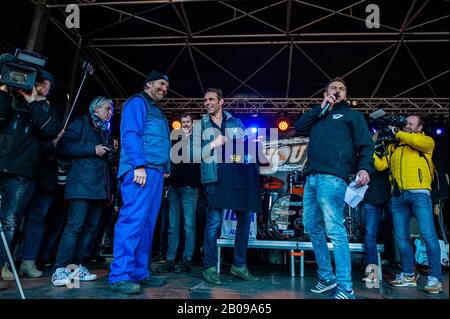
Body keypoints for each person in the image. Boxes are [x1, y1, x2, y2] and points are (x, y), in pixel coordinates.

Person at [294, 77, 374, 299]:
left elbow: (367, 145)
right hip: (311, 178)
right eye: (333, 89)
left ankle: (346, 288)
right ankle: (327, 277)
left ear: (346, 94)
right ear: (325, 94)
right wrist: (321, 107)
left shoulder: (352, 116)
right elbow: (299, 127)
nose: (337, 91)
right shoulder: (318, 116)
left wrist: (364, 168)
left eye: (341, 89)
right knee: (311, 226)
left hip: (333, 178)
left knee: (335, 231)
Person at [109, 71, 171, 295]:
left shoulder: (157, 110)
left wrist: (165, 169)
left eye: (166, 86)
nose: (164, 89)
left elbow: (160, 141)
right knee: (132, 221)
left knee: (146, 225)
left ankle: (139, 272)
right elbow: (131, 133)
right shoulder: (137, 102)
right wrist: (138, 165)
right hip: (140, 171)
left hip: (155, 171)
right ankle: (120, 275)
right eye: (161, 84)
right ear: (149, 84)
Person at [194, 88, 261, 285]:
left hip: (237, 179)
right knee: (213, 223)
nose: (207, 102)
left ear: (221, 101)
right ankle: (209, 267)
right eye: (205, 100)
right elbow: (192, 154)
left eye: (211, 99)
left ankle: (239, 265)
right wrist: (213, 144)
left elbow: (240, 150)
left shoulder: (235, 122)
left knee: (244, 222)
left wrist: (252, 145)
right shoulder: (200, 126)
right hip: (214, 179)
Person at [0, 71, 60, 290]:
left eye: (45, 83)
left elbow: (50, 133)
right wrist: (5, 90)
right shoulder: (10, 102)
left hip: (23, 173)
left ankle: (2, 267)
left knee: (10, 221)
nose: (43, 86)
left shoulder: (47, 109)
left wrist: (33, 100)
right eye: (39, 83)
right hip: (3, 163)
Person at [374, 115, 442, 294]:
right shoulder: (394, 146)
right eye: (406, 124)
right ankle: (408, 275)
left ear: (420, 128)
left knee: (428, 235)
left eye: (411, 124)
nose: (407, 126)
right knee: (401, 237)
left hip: (419, 192)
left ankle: (435, 279)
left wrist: (397, 132)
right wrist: (369, 149)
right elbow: (381, 166)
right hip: (398, 196)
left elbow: (413, 140)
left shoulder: (426, 141)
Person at [51, 96, 114, 286]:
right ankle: (60, 269)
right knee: (74, 227)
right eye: (107, 109)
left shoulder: (106, 132)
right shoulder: (81, 123)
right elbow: (63, 146)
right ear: (95, 109)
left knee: (90, 229)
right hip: (80, 185)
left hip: (98, 187)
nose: (110, 113)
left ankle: (76, 267)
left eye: (111, 110)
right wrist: (92, 148)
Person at [155, 113, 200, 273]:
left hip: (189, 188)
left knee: (188, 226)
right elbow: (170, 161)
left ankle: (187, 260)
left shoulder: (198, 141)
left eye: (188, 122)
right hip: (173, 188)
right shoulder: (175, 138)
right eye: (183, 122)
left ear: (193, 124)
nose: (185, 124)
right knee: (173, 226)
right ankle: (170, 259)